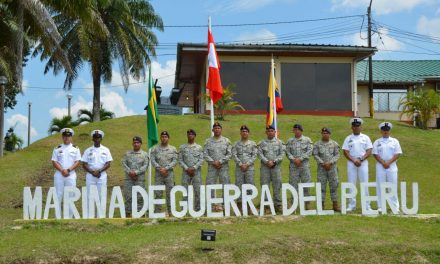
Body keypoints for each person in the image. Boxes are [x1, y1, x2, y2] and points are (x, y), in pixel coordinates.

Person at [342, 118, 373, 211]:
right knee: (351, 184)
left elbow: (369, 150)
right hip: (352, 163)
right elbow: (345, 151)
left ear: (361, 127)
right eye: (354, 126)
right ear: (352, 127)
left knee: (365, 183)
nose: (356, 128)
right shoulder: (348, 138)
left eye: (358, 126)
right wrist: (354, 160)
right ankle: (351, 205)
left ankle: (367, 205)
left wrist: (361, 159)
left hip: (363, 163)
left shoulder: (365, 138)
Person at [372, 122, 402, 213]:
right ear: (381, 131)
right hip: (380, 165)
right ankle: (380, 206)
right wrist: (383, 162)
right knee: (380, 185)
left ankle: (395, 207)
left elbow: (397, 153)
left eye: (387, 130)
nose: (385, 131)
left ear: (389, 131)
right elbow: (375, 154)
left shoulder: (395, 141)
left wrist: (388, 162)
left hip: (391, 166)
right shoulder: (377, 142)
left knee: (392, 185)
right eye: (384, 130)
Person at [51, 128, 81, 213]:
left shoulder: (75, 148)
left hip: (71, 175)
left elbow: (77, 161)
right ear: (62, 137)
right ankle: (58, 216)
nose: (66, 138)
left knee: (71, 195)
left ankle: (70, 216)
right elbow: (54, 161)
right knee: (58, 195)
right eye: (65, 136)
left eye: (68, 136)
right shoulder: (57, 148)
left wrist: (68, 170)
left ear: (71, 137)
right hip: (59, 174)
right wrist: (62, 170)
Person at [204, 122, 232, 211]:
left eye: (218, 128)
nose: (217, 130)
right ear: (212, 130)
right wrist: (213, 162)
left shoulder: (226, 141)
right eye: (215, 128)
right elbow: (205, 154)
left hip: (223, 167)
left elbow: (229, 154)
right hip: (212, 167)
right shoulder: (208, 141)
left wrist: (220, 162)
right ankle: (211, 206)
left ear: (221, 130)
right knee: (210, 185)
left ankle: (224, 206)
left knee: (225, 185)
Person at [258, 125, 285, 213]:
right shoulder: (261, 143)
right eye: (268, 131)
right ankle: (266, 206)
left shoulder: (280, 143)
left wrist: (274, 161)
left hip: (276, 168)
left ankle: (278, 205)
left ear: (275, 132)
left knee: (277, 185)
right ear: (266, 132)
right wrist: (267, 162)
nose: (270, 132)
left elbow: (282, 154)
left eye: (272, 131)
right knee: (265, 186)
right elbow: (259, 154)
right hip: (265, 168)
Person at [285, 124, 313, 210]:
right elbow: (287, 152)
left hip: (304, 166)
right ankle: (294, 205)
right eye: (295, 130)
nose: (296, 131)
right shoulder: (290, 141)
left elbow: (310, 150)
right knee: (293, 185)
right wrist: (294, 159)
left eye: (298, 130)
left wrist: (300, 159)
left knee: (306, 184)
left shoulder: (307, 140)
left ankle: (307, 204)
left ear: (301, 130)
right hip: (293, 166)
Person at [313, 127, 341, 212]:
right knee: (321, 187)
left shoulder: (334, 144)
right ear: (322, 134)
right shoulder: (317, 144)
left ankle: (335, 205)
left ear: (329, 134)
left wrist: (330, 162)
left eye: (326, 133)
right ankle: (321, 206)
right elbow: (315, 155)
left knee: (334, 186)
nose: (325, 134)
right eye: (323, 133)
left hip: (332, 168)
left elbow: (337, 155)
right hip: (322, 168)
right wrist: (323, 163)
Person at [82, 130, 113, 205]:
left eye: (98, 138)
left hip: (101, 176)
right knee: (90, 196)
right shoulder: (88, 150)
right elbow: (84, 164)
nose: (97, 139)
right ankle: (90, 216)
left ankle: (101, 215)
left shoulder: (106, 150)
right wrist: (92, 172)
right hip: (90, 176)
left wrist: (99, 171)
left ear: (101, 139)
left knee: (101, 196)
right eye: (95, 138)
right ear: (92, 139)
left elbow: (108, 163)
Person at [151, 131, 177, 215]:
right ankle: (157, 212)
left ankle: (171, 212)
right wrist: (160, 169)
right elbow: (152, 160)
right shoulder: (155, 148)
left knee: (170, 193)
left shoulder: (173, 149)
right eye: (162, 136)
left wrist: (166, 169)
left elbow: (175, 160)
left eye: (166, 136)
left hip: (169, 175)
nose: (164, 138)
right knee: (158, 193)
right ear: (160, 138)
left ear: (168, 138)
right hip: (159, 175)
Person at [122, 136, 149, 217]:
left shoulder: (144, 154)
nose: (136, 144)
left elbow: (145, 165)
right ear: (132, 144)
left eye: (138, 143)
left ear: (141, 144)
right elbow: (124, 164)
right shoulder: (127, 154)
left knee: (140, 196)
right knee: (128, 196)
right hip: (129, 179)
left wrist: (136, 173)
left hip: (139, 179)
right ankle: (128, 214)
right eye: (134, 143)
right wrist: (130, 172)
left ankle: (141, 214)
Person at [231, 125, 258, 208]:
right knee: (239, 185)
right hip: (239, 168)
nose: (244, 133)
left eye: (246, 131)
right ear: (240, 133)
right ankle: (239, 205)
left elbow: (254, 155)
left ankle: (249, 205)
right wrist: (240, 164)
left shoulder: (253, 144)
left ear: (248, 133)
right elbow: (234, 155)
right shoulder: (236, 144)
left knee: (250, 185)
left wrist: (247, 164)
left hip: (249, 168)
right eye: (243, 131)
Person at [178, 129, 204, 211]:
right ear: (187, 136)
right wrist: (187, 168)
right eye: (189, 134)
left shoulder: (199, 147)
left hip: (196, 172)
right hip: (186, 173)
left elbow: (201, 159)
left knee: (197, 191)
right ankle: (184, 210)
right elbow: (180, 160)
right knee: (185, 191)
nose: (190, 135)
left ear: (195, 136)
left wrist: (194, 168)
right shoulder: (182, 147)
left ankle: (198, 210)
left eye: (192, 134)